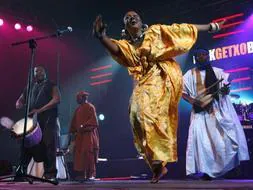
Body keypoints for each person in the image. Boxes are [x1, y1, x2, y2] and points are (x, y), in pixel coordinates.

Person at [93, 11, 225, 183]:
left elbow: (184, 29)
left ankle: (159, 158)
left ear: (141, 21)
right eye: (127, 18)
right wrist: (102, 37)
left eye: (135, 16)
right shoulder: (128, 45)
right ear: (125, 27)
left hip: (164, 74)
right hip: (146, 78)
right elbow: (117, 49)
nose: (132, 18)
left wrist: (211, 27)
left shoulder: (155, 32)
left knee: (146, 112)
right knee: (135, 114)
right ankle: (156, 165)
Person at [182, 48, 249, 179]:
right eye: (199, 55)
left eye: (204, 55)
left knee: (221, 141)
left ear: (208, 56)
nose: (202, 57)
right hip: (200, 113)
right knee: (203, 143)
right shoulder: (189, 74)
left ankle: (228, 168)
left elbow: (226, 88)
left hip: (217, 111)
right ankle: (207, 171)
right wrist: (194, 101)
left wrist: (224, 90)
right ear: (195, 58)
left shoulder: (218, 72)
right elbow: (182, 92)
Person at [16, 65, 61, 180]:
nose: (38, 73)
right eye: (36, 71)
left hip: (48, 120)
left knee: (48, 145)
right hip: (32, 122)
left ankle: (50, 175)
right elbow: (21, 98)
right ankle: (21, 172)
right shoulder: (30, 86)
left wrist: (39, 110)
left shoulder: (51, 84)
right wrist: (19, 102)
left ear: (45, 72)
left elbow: (56, 99)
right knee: (26, 146)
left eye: (40, 70)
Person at [69, 91, 99, 181]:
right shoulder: (78, 109)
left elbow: (93, 121)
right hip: (80, 136)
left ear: (84, 98)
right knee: (79, 155)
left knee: (88, 154)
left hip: (88, 135)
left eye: (78, 98)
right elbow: (74, 123)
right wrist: (73, 131)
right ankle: (82, 174)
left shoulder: (90, 107)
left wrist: (84, 126)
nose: (77, 99)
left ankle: (91, 174)